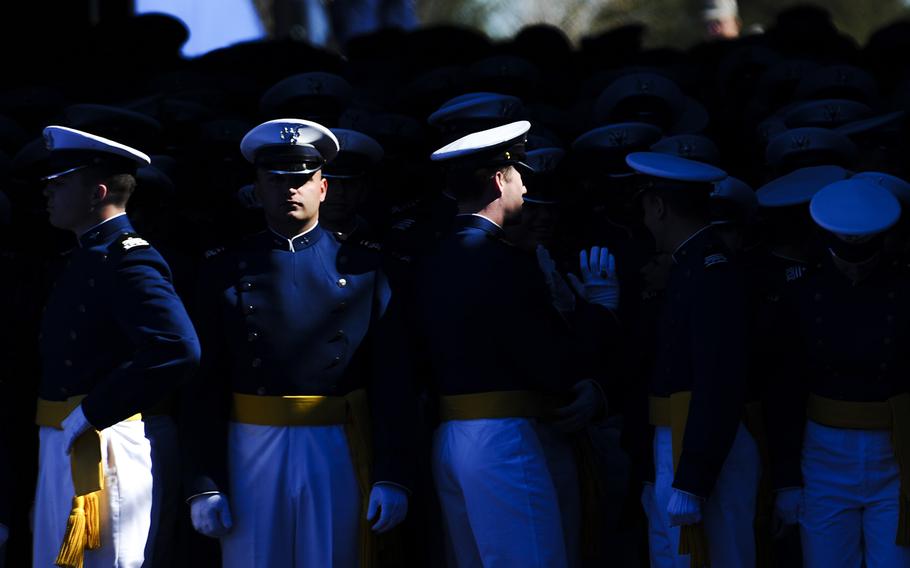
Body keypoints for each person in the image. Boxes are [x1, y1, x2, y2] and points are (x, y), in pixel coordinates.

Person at [183, 118, 414, 568]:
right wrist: (204, 482)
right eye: (276, 180)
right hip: (248, 446)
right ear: (257, 189)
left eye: (301, 179)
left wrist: (394, 474)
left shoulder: (367, 268)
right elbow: (202, 388)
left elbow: (393, 380)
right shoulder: (223, 272)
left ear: (322, 188)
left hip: (335, 445)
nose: (290, 189)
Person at [415, 120, 614, 567]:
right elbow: (553, 364)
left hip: (450, 436)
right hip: (505, 439)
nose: (525, 189)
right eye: (520, 177)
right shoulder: (504, 259)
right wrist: (600, 315)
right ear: (499, 179)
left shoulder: (432, 256)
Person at [33, 125, 201, 568]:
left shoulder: (128, 257)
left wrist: (93, 411)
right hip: (69, 436)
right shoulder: (84, 256)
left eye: (60, 182)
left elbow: (177, 347)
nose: (46, 192)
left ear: (98, 192)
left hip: (106, 443)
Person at [769, 178, 910, 567]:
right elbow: (785, 388)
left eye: (865, 256)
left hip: (894, 451)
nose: (854, 268)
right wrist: (786, 479)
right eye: (846, 256)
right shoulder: (802, 297)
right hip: (824, 453)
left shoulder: (903, 294)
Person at [628, 151, 760, 568]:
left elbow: (718, 381)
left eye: (646, 206)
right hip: (680, 440)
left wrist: (694, 478)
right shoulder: (691, 266)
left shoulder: (708, 271)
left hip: (701, 445)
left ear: (659, 206)